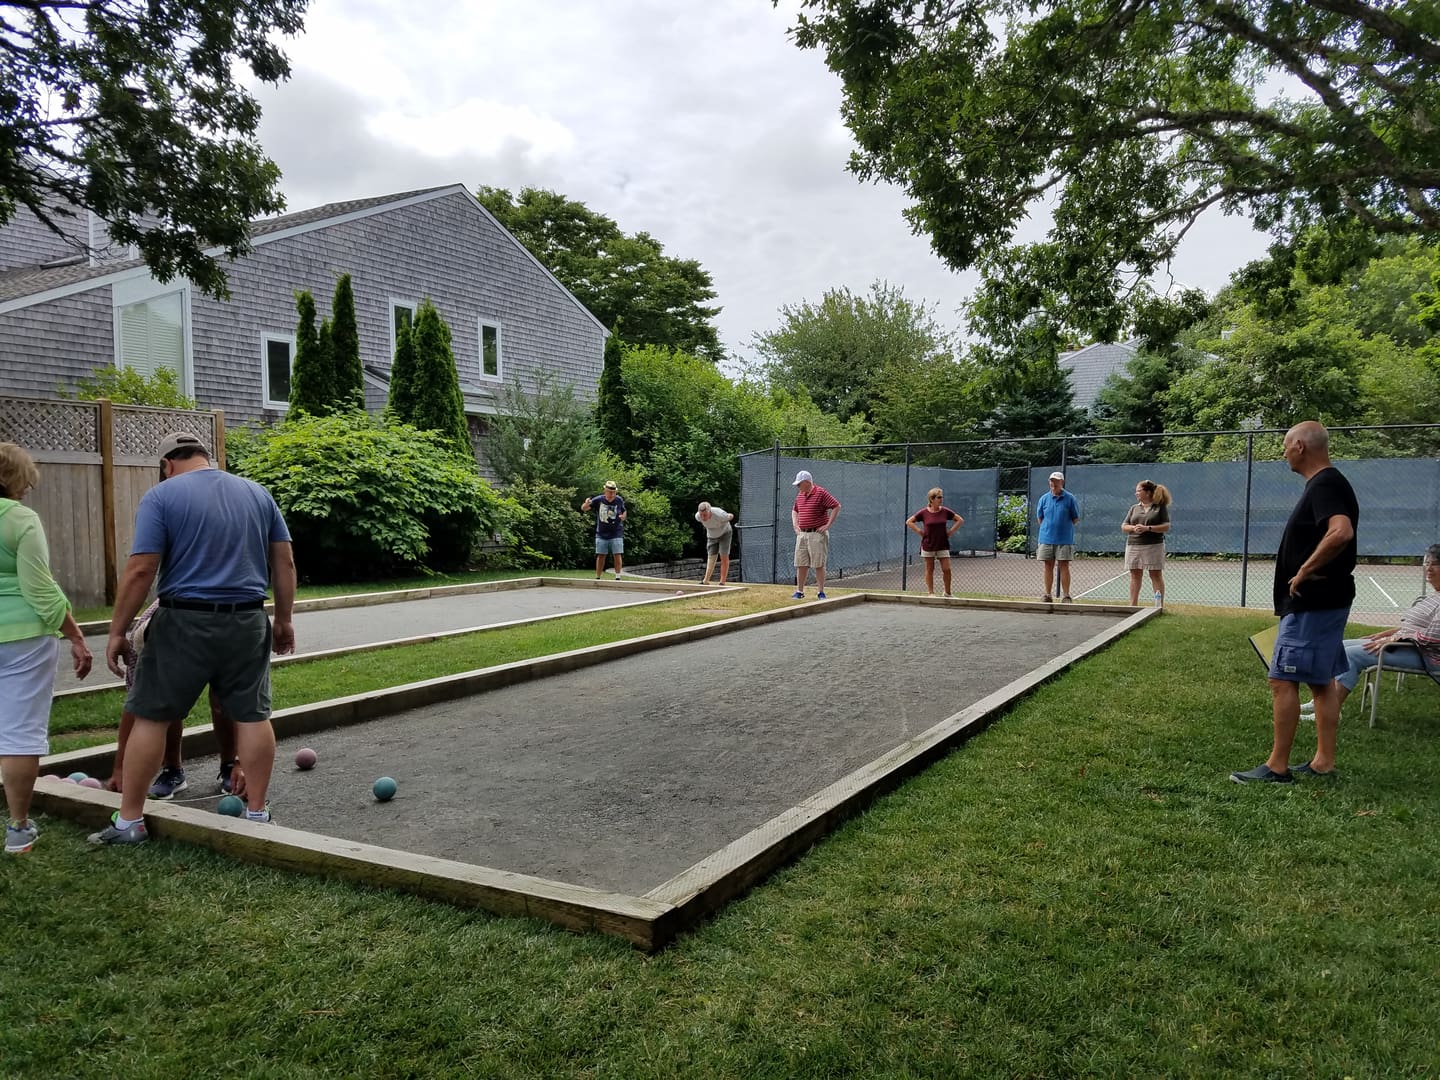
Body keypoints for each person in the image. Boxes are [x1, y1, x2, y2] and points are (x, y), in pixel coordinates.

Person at [90, 431, 295, 844]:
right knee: (253, 716)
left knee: (152, 715)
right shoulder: (258, 493)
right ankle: (257, 814)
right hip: (247, 619)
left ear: (166, 465)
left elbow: (142, 569)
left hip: (183, 621)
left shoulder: (162, 497)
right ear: (206, 457)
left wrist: (117, 631)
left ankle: (130, 822)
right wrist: (284, 620)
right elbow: (285, 561)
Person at [1231, 421, 1359, 784]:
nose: (1283, 451)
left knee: (1281, 680)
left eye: (1286, 445)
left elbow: (1341, 531)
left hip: (1313, 603)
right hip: (1327, 601)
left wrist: (1303, 569)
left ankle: (1277, 766)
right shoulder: (1329, 483)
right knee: (1321, 681)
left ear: (1301, 446)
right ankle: (1323, 761)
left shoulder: (1325, 483)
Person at [0, 443, 93, 854]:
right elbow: (39, 589)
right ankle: (18, 829)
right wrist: (74, 634)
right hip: (24, 636)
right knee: (20, 733)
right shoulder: (20, 520)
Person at [104, 599, 246, 799]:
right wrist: (120, 769)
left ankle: (230, 765)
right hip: (177, 617)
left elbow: (242, 702)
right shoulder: (148, 637)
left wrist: (243, 763)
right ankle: (172, 770)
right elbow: (137, 704)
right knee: (166, 698)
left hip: (229, 611)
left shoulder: (233, 627)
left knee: (223, 696)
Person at [1297, 544, 1440, 719]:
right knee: (1338, 647)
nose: (1429, 568)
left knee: (1351, 655)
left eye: (1435, 564)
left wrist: (1397, 638)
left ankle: (1330, 711)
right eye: (1427, 563)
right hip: (1408, 645)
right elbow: (1416, 628)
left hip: (1425, 655)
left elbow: (1433, 637)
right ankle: (1323, 700)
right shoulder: (1436, 595)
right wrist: (1385, 634)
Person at [791, 470, 841, 600]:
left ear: (807, 482)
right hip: (802, 534)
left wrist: (827, 525)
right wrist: (795, 525)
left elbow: (836, 506)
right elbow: (795, 510)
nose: (798, 487)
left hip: (817, 534)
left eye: (799, 484)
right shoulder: (800, 495)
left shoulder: (821, 492)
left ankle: (820, 592)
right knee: (801, 563)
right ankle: (799, 591)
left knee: (819, 564)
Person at [1121, 480, 1172, 606]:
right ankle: (1132, 605)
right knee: (1135, 575)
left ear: (1148, 492)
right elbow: (1124, 526)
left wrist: (1148, 528)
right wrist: (1133, 528)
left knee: (1155, 574)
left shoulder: (1159, 508)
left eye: (1139, 491)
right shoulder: (1134, 508)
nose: (1136, 493)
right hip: (1133, 545)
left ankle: (1158, 605)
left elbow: (1166, 526)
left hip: (1154, 545)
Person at [906, 488, 964, 597]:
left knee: (947, 569)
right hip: (928, 545)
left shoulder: (945, 511)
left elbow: (960, 520)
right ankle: (931, 593)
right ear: (932, 499)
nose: (941, 499)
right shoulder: (923, 512)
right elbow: (909, 522)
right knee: (929, 569)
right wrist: (920, 531)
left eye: (942, 497)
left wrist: (950, 532)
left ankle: (947, 593)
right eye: (939, 497)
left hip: (942, 544)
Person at [1036, 471, 1080, 602]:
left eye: (1056, 481)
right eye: (1051, 481)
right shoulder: (1043, 499)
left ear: (1062, 482)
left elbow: (1075, 518)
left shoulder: (1070, 498)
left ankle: (1066, 595)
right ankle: (1047, 595)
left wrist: (1062, 528)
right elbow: (1040, 518)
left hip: (1064, 539)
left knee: (1064, 566)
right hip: (1046, 539)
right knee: (1047, 566)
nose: (1053, 483)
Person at [581, 481, 627, 579]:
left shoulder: (619, 500)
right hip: (601, 533)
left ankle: (618, 577)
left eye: (614, 492)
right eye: (610, 492)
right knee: (601, 555)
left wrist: (623, 516)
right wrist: (586, 504)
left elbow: (624, 511)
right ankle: (598, 577)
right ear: (605, 491)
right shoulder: (598, 500)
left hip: (616, 532)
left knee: (617, 554)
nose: (612, 495)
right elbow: (584, 508)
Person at [694, 502, 735, 585]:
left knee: (723, 556)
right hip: (711, 536)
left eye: (705, 515)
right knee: (711, 557)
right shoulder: (698, 517)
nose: (703, 517)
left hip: (725, 533)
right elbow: (702, 518)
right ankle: (705, 581)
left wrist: (729, 517)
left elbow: (731, 515)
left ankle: (722, 582)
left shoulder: (719, 514)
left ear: (710, 512)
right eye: (701, 515)